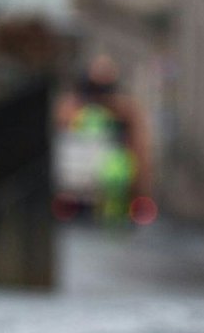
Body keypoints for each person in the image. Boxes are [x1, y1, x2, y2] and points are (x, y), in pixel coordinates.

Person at [55, 55, 154, 222]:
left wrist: (141, 193)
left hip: (112, 190)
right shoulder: (73, 108)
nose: (99, 96)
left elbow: (141, 150)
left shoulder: (125, 111)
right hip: (80, 188)